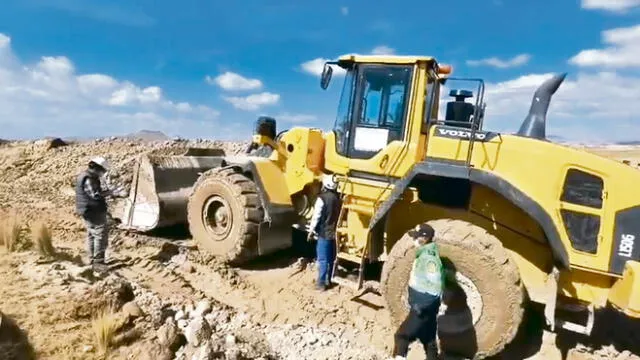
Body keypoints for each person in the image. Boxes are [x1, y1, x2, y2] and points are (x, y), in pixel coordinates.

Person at [391, 224, 445, 360]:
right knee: (429, 341)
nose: (413, 240)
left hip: (422, 307)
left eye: (416, 237)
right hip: (428, 308)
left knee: (401, 336)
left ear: (425, 239)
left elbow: (435, 286)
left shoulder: (429, 258)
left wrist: (420, 308)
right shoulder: (425, 253)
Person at [75, 156, 125, 272]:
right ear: (97, 168)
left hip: (88, 210)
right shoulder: (89, 179)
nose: (103, 173)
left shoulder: (87, 176)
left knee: (92, 235)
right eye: (102, 171)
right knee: (100, 236)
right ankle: (98, 264)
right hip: (93, 211)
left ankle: (92, 260)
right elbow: (95, 195)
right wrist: (113, 192)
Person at [307, 174, 341, 291]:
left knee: (322, 259)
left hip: (324, 233)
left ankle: (321, 283)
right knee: (331, 258)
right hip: (334, 233)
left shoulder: (322, 198)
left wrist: (311, 230)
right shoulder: (338, 199)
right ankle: (329, 281)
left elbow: (316, 216)